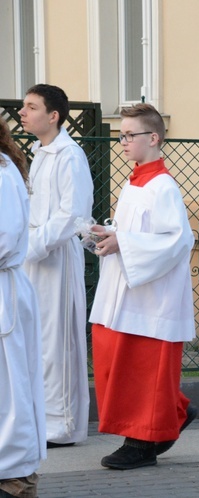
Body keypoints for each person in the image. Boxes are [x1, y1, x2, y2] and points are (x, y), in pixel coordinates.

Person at [89, 103, 198, 470]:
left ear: (153, 138)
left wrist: (125, 242)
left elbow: (179, 241)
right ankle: (173, 413)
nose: (122, 141)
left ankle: (142, 443)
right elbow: (136, 233)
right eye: (120, 135)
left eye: (128, 135)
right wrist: (110, 235)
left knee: (143, 370)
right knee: (113, 360)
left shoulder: (162, 186)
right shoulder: (134, 182)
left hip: (152, 300)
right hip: (124, 293)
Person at [19, 84, 93, 448]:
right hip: (33, 257)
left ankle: (62, 425)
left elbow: (72, 215)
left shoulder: (69, 155)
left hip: (56, 258)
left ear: (54, 116)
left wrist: (30, 244)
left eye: (31, 107)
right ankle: (40, 418)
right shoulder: (40, 152)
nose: (22, 113)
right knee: (37, 338)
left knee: (57, 340)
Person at [0, 119, 46, 498]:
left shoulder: (1, 170)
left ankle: (18, 478)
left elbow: (6, 234)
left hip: (4, 293)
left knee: (12, 386)